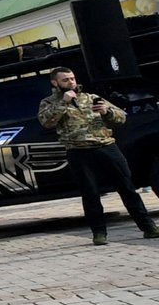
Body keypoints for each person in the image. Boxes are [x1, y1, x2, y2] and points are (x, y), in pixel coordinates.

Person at [37, 65, 158, 245]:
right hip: (78, 152)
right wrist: (63, 102)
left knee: (127, 188)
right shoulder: (48, 103)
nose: (71, 82)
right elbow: (46, 122)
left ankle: (148, 227)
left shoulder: (91, 97)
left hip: (106, 147)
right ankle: (99, 233)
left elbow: (121, 117)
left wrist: (107, 112)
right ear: (55, 83)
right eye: (65, 80)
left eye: (72, 78)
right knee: (90, 193)